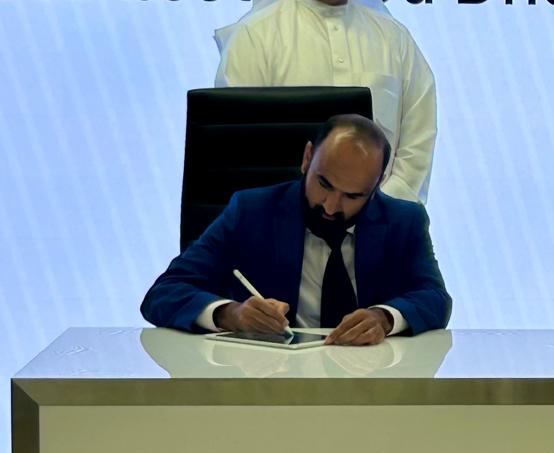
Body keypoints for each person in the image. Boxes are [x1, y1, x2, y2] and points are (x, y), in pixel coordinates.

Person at [142, 115, 450, 344]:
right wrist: (230, 314)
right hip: (270, 385)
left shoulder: (404, 221)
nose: (331, 206)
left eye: (353, 196)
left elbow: (434, 297)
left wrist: (384, 318)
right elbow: (164, 293)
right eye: (324, 183)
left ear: (377, 184)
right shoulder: (251, 211)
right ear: (307, 159)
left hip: (369, 383)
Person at [215, 0, 437, 202]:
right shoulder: (254, 37)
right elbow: (241, 149)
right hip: (282, 222)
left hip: (383, 222)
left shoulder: (395, 40)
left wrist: (380, 211)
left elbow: (417, 143)